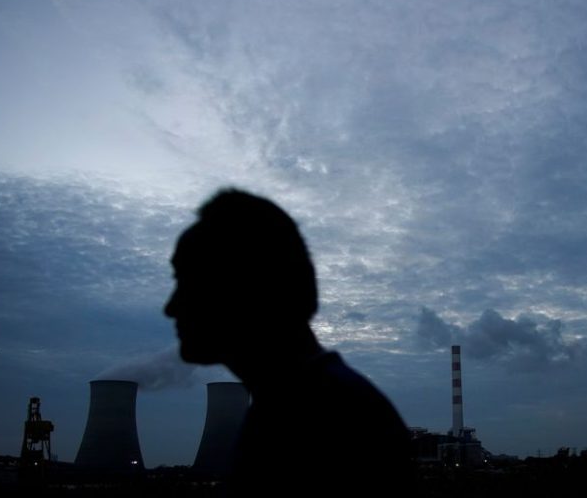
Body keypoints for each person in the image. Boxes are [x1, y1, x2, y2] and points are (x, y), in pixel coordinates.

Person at [164, 188, 414, 496]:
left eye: (186, 282)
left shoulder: (321, 418)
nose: (170, 307)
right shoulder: (296, 406)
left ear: (246, 287)